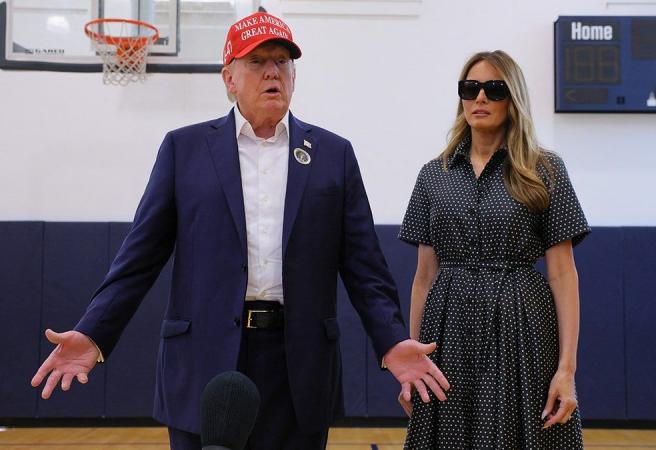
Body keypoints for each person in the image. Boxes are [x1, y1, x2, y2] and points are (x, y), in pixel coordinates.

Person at [30, 11, 449, 450]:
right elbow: (138, 259)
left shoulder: (333, 155)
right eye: (257, 61)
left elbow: (366, 270)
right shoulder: (184, 149)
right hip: (203, 362)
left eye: (283, 61)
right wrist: (94, 331)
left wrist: (392, 341)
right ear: (228, 78)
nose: (273, 71)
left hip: (298, 367)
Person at [397, 50, 590, 449]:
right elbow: (424, 277)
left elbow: (562, 273)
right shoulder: (434, 174)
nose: (479, 98)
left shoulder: (545, 170)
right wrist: (412, 363)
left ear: (512, 97)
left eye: (493, 88)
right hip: (446, 330)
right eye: (470, 88)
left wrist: (566, 370)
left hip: (522, 330)